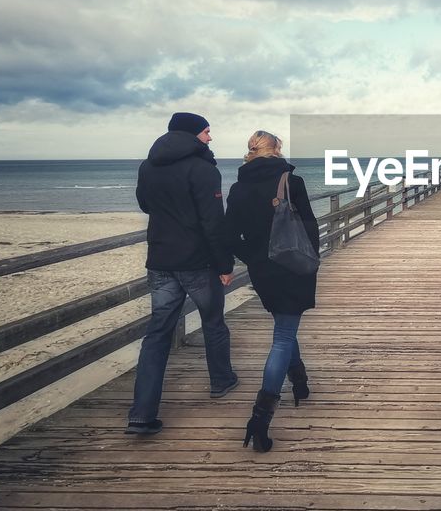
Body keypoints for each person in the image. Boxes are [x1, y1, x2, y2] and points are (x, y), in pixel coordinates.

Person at [127, 112, 238, 435]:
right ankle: (221, 380)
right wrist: (225, 265)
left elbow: (145, 204)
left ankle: (141, 414)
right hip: (198, 262)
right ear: (193, 134)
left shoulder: (148, 166)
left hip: (160, 258)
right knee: (213, 322)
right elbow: (213, 222)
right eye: (206, 132)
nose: (210, 138)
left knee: (157, 334)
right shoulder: (203, 169)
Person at [222, 130, 321, 452]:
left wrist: (253, 257)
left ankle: (301, 383)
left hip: (263, 270)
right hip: (293, 266)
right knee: (282, 336)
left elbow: (230, 234)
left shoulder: (238, 188)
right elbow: (309, 228)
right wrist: (313, 262)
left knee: (283, 326)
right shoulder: (292, 182)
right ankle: (260, 419)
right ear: (276, 149)